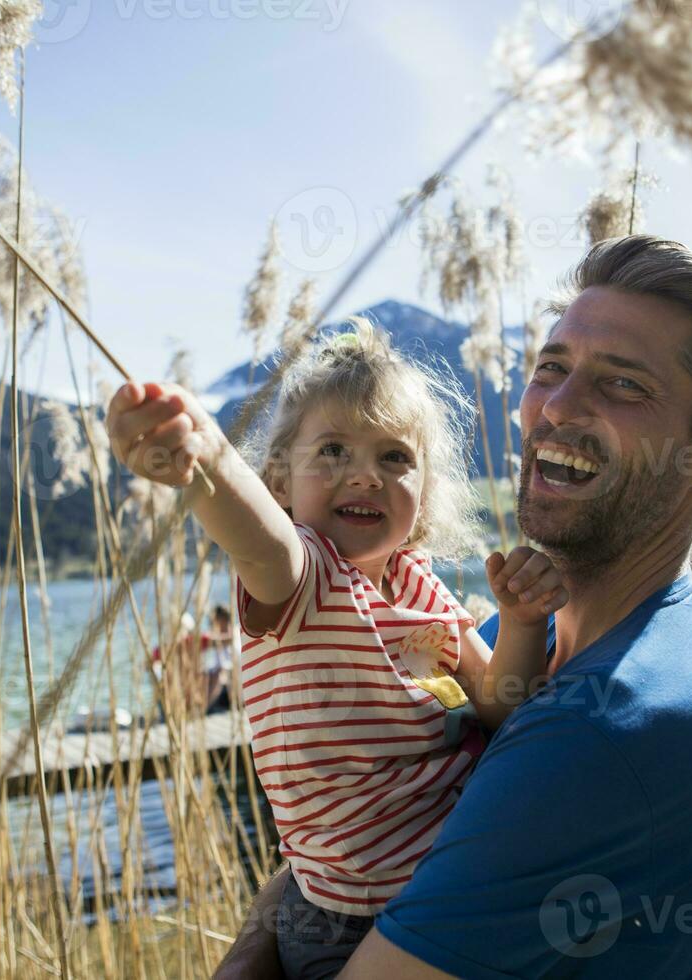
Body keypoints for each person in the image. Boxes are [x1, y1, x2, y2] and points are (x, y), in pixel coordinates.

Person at [217, 234, 692, 979]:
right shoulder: (522, 632)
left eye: (624, 385)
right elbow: (357, 807)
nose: (556, 408)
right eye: (551, 368)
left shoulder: (604, 730)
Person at [107, 320, 568, 978]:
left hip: (449, 893)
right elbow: (258, 540)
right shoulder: (306, 578)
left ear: (427, 489)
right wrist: (207, 460)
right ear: (278, 483)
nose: (365, 476)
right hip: (347, 921)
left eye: (394, 458)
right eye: (331, 452)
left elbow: (501, 706)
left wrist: (522, 623)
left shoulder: (420, 584)